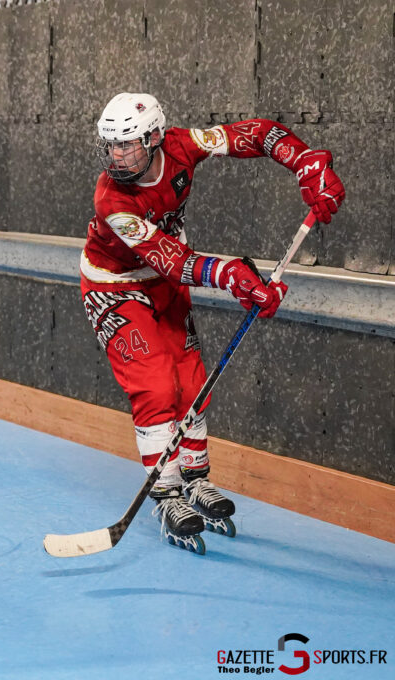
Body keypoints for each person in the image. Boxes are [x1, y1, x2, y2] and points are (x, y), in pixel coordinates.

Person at [82, 93, 344, 553]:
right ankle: (164, 491)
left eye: (128, 144)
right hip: (116, 286)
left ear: (156, 137)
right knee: (155, 383)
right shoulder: (112, 199)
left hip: (164, 281)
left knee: (190, 379)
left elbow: (258, 133)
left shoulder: (184, 145)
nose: (117, 155)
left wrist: (304, 161)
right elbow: (173, 261)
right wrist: (235, 276)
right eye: (111, 146)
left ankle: (196, 479)